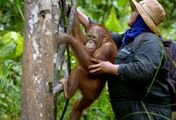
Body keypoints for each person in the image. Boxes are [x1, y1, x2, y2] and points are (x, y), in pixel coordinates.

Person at [76, 0, 172, 119]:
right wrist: (76, 14)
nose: (131, 12)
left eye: (135, 11)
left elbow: (143, 70)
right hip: (132, 113)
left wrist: (112, 69)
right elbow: (104, 35)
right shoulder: (129, 38)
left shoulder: (150, 41)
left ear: (142, 17)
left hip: (148, 114)